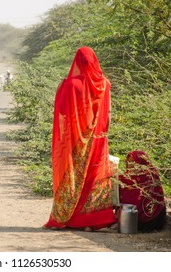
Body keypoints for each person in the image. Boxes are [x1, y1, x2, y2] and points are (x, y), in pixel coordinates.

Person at [44, 46, 116, 231]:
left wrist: (61, 90)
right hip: (98, 138)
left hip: (75, 141)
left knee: (73, 178)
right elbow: (107, 114)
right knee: (95, 177)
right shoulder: (105, 84)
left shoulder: (69, 84)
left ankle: (68, 218)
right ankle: (93, 222)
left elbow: (62, 114)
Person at [119, 150, 166, 232]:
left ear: (141, 162)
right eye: (128, 161)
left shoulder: (150, 175)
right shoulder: (127, 177)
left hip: (152, 218)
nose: (130, 164)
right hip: (132, 218)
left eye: (133, 161)